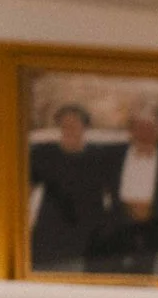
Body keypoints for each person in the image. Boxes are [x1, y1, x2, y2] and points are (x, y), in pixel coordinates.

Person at [86, 107, 158, 275]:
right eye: (139, 127)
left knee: (151, 275)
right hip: (120, 226)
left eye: (150, 128)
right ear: (131, 131)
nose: (144, 133)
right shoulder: (112, 156)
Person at [25, 104, 118, 272]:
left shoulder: (100, 157)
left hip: (88, 232)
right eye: (65, 125)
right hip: (51, 230)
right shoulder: (45, 154)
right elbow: (27, 190)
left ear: (85, 127)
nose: (70, 129)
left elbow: (113, 193)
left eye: (75, 124)